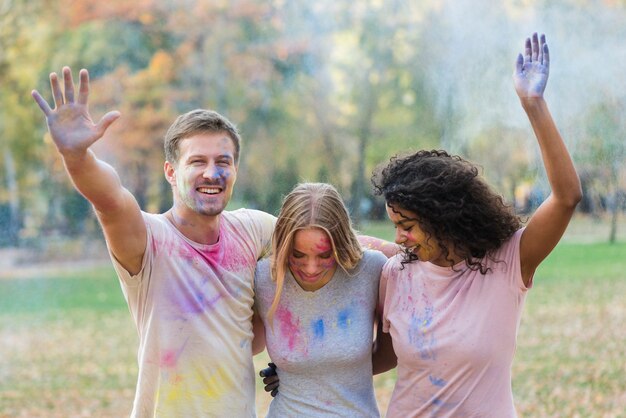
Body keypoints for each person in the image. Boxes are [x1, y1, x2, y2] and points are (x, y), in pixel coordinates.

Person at [31, 68, 276, 417]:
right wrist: (76, 157)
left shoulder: (253, 229)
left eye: (223, 161)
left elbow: (334, 240)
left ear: (235, 170)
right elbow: (110, 199)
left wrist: (386, 255)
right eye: (197, 162)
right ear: (171, 173)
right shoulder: (149, 239)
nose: (212, 173)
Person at [371, 33, 582, 417]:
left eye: (407, 225)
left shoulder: (509, 263)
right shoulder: (395, 274)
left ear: (443, 217)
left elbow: (566, 197)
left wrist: (533, 104)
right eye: (394, 225)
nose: (399, 237)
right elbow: (383, 358)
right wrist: (305, 371)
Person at [254, 182, 393, 417]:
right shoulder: (263, 278)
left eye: (324, 255)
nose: (310, 267)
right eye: (297, 255)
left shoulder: (372, 270)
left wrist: (329, 374)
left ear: (340, 242)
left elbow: (389, 355)